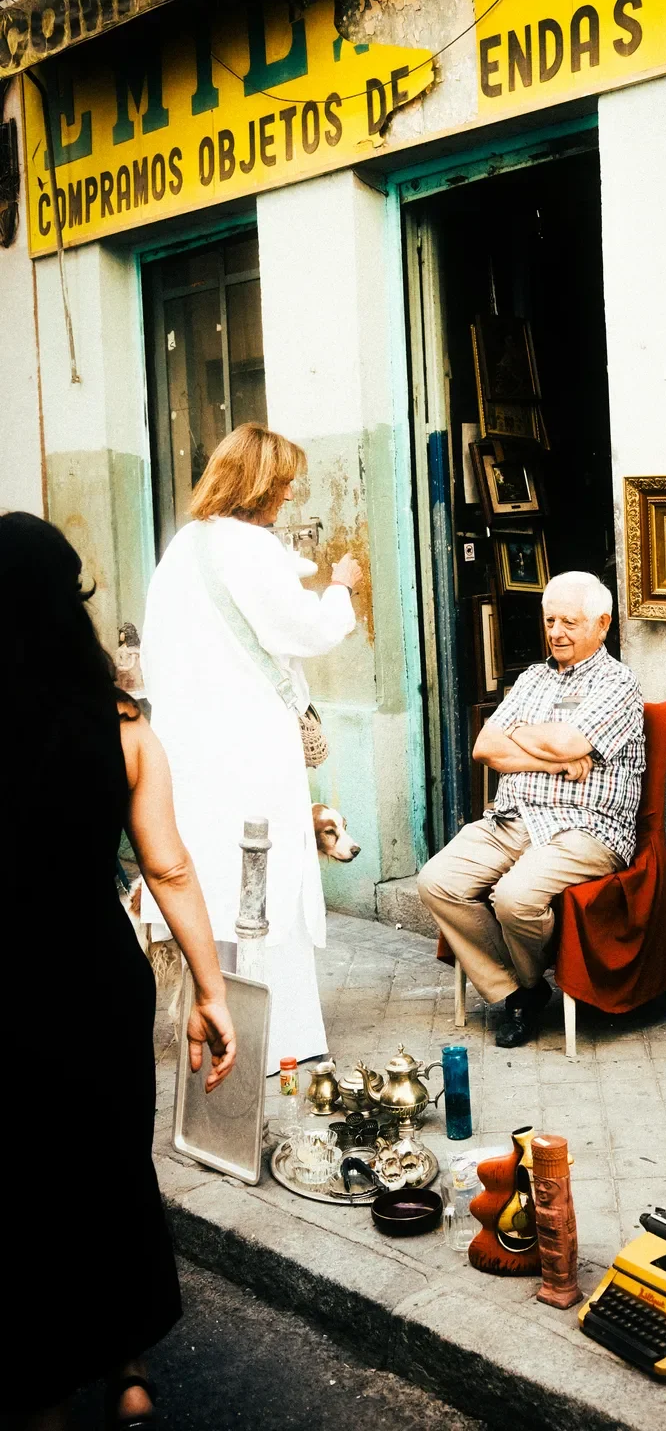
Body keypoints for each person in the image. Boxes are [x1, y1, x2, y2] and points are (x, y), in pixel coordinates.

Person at [0, 512, 236, 1430]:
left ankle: (40, 1386)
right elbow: (168, 866)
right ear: (73, 607)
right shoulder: (125, 729)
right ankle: (126, 1366)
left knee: (21, 1177)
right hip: (94, 976)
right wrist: (211, 991)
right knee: (107, 1164)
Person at [140, 425, 361, 1071]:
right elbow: (308, 629)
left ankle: (215, 1019)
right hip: (251, 745)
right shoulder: (252, 549)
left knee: (211, 871)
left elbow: (158, 651)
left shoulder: (183, 548)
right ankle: (279, 1038)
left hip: (189, 743)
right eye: (285, 480)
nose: (291, 493)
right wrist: (342, 585)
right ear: (260, 483)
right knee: (267, 873)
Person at [418, 572, 644, 1048]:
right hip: (516, 814)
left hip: (587, 826)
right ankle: (523, 989)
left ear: (603, 624)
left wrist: (525, 732)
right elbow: (486, 747)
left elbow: (568, 740)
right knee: (437, 880)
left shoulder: (619, 683)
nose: (557, 632)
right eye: (550, 621)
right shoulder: (533, 678)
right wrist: (559, 758)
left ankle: (522, 993)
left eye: (570, 622)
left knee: (515, 898)